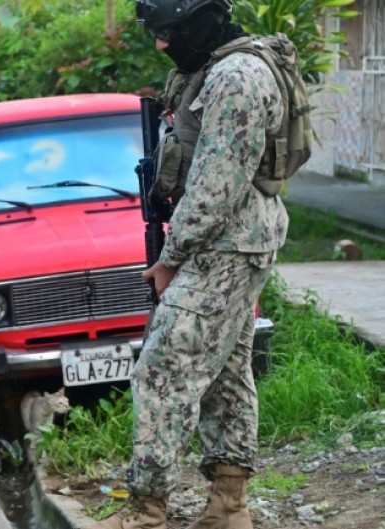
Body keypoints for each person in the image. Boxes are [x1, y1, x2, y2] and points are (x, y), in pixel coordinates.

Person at [91, 1, 289, 528]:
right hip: (223, 241)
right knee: (225, 373)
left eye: (167, 33)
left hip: (225, 244)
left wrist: (170, 258)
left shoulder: (238, 76)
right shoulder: (211, 67)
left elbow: (216, 185)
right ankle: (229, 506)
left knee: (162, 369)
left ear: (198, 22)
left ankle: (145, 510)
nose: (160, 45)